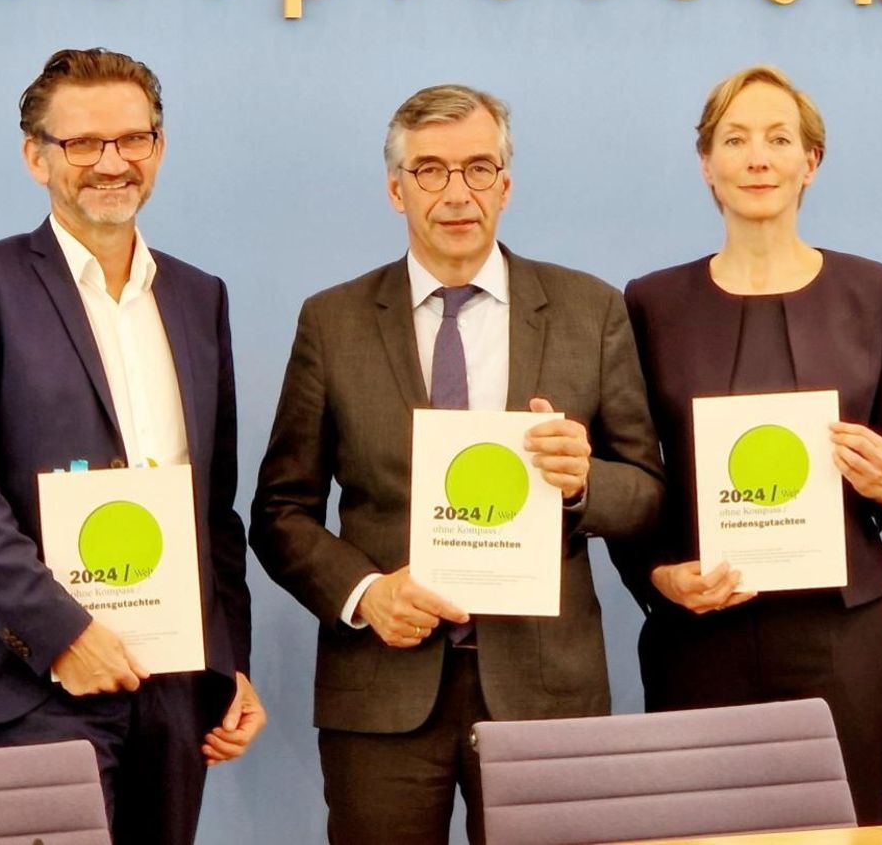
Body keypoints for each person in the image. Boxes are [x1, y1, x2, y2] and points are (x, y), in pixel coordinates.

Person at [250, 84, 663, 845]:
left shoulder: (589, 309)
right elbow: (279, 511)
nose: (456, 193)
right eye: (431, 170)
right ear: (395, 188)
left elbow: (644, 492)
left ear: (506, 186)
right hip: (381, 688)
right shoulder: (332, 321)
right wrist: (365, 592)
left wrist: (584, 482)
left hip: (546, 690)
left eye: (478, 168)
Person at [0, 48, 264, 845]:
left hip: (176, 679)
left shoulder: (199, 297)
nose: (113, 162)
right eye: (84, 143)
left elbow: (215, 508)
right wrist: (63, 633)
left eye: (134, 139)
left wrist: (229, 657)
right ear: (37, 156)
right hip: (44, 678)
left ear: (159, 149)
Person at [615, 65, 882, 825]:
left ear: (810, 161)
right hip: (700, 633)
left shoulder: (874, 291)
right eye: (736, 140)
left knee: (859, 830)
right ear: (706, 164)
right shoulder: (651, 303)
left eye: (779, 139)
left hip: (842, 634)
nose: (758, 158)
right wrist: (658, 575)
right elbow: (632, 474)